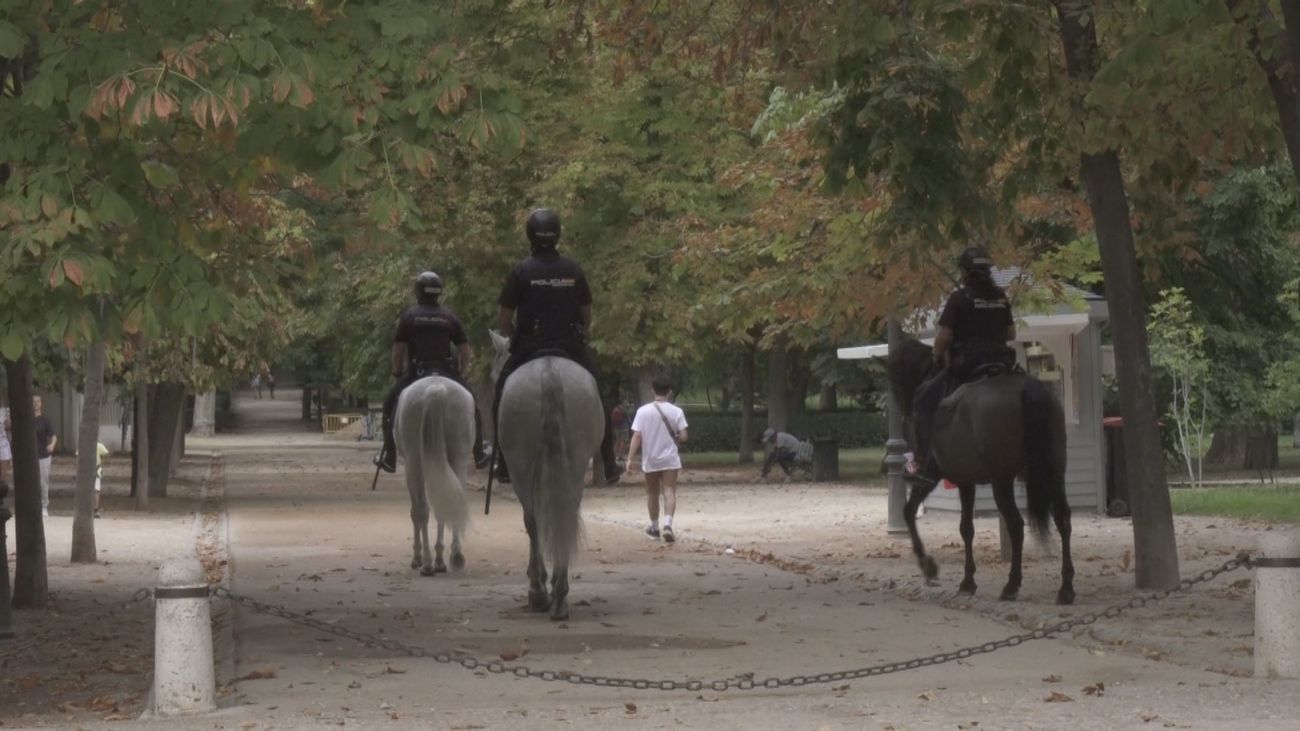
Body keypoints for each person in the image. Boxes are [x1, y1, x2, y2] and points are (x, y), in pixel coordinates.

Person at [491, 208, 621, 485]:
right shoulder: (573, 270)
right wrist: (581, 333)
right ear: (558, 235)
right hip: (570, 346)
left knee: (501, 393)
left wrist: (516, 336)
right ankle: (608, 461)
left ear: (530, 236)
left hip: (528, 347)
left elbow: (503, 321)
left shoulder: (520, 271)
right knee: (600, 394)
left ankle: (502, 462)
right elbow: (587, 315)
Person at [905, 246, 1017, 488]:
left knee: (922, 400)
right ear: (988, 270)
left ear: (965, 272)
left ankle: (924, 465)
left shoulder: (960, 298)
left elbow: (943, 337)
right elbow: (1011, 333)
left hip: (969, 365)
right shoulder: (1000, 296)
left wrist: (936, 354)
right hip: (1003, 363)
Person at [373, 271, 488, 473]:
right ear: (439, 293)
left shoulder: (409, 316)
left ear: (418, 292)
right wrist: (460, 370)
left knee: (389, 405)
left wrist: (397, 371)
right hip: (446, 371)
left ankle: (389, 457)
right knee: (474, 406)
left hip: (417, 372)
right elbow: (464, 350)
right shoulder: (449, 316)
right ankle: (479, 453)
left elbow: (398, 348)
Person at [625, 376, 688, 542]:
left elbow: (637, 436)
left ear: (652, 390)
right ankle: (668, 525)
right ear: (670, 392)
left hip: (651, 458)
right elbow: (683, 436)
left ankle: (654, 527)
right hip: (670, 459)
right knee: (669, 491)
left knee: (652, 493)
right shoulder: (677, 412)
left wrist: (630, 458)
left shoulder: (643, 411)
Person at [33, 395, 56, 517]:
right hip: (29, 458)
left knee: (43, 481)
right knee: (29, 482)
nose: (35, 403)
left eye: (37, 401)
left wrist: (52, 444)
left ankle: (44, 506)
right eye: (33, 402)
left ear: (41, 403)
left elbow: (53, 435)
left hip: (43, 456)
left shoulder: (45, 420)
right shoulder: (26, 419)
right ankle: (31, 506)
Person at [77, 440, 109, 518]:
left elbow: (78, 456)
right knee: (96, 490)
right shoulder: (99, 445)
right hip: (96, 469)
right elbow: (106, 453)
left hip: (86, 469)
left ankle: (84, 509)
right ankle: (95, 510)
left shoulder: (83, 444)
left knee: (85, 490)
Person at [0, 406, 12, 485]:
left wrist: (8, 420)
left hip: (3, 444)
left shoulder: (4, 410)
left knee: (2, 476)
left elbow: (9, 427)